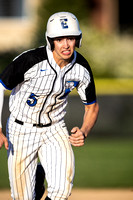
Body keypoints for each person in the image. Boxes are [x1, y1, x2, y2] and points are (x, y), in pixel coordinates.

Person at [0, 12, 99, 200]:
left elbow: (91, 107)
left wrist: (84, 130)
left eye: (71, 38)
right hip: (21, 130)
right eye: (59, 39)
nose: (66, 44)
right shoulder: (30, 60)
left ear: (78, 39)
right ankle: (36, 183)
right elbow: (0, 87)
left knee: (62, 191)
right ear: (50, 40)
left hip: (55, 129)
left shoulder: (81, 68)